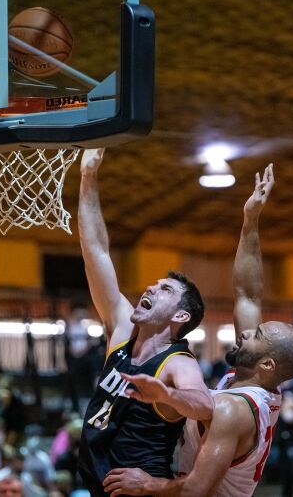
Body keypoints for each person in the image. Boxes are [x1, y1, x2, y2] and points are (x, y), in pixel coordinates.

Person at [103, 164, 293, 497]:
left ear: (267, 364)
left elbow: (195, 490)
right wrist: (250, 222)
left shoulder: (232, 410)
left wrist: (147, 484)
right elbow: (247, 293)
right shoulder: (261, 389)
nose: (245, 333)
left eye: (256, 336)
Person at [75, 148, 213, 496]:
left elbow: (205, 404)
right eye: (154, 283)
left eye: (165, 288)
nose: (151, 286)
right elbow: (96, 251)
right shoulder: (123, 329)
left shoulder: (176, 362)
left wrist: (166, 393)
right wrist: (88, 177)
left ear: (181, 316)